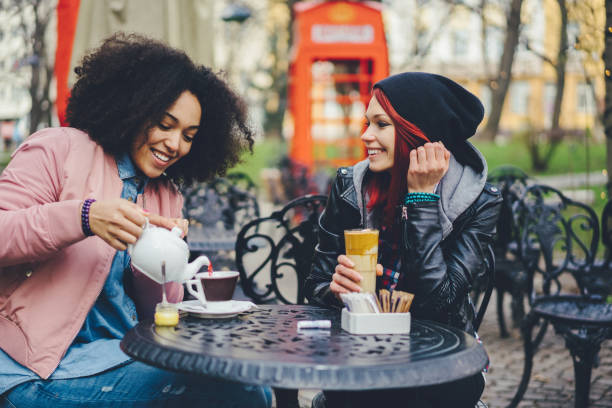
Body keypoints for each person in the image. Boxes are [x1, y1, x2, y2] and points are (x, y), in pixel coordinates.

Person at [0, 33, 271, 408]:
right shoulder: (57, 148)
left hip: (124, 355)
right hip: (36, 370)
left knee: (246, 380)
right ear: (133, 108)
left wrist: (164, 258)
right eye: (165, 124)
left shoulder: (166, 194)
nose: (175, 144)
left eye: (189, 135)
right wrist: (85, 216)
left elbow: (161, 310)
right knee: (232, 390)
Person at [305, 72, 502, 408]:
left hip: (441, 365)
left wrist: (421, 199)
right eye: (367, 123)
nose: (365, 135)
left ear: (420, 134)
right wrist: (333, 290)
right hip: (361, 354)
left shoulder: (478, 201)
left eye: (381, 124)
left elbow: (439, 302)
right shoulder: (350, 187)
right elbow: (315, 285)